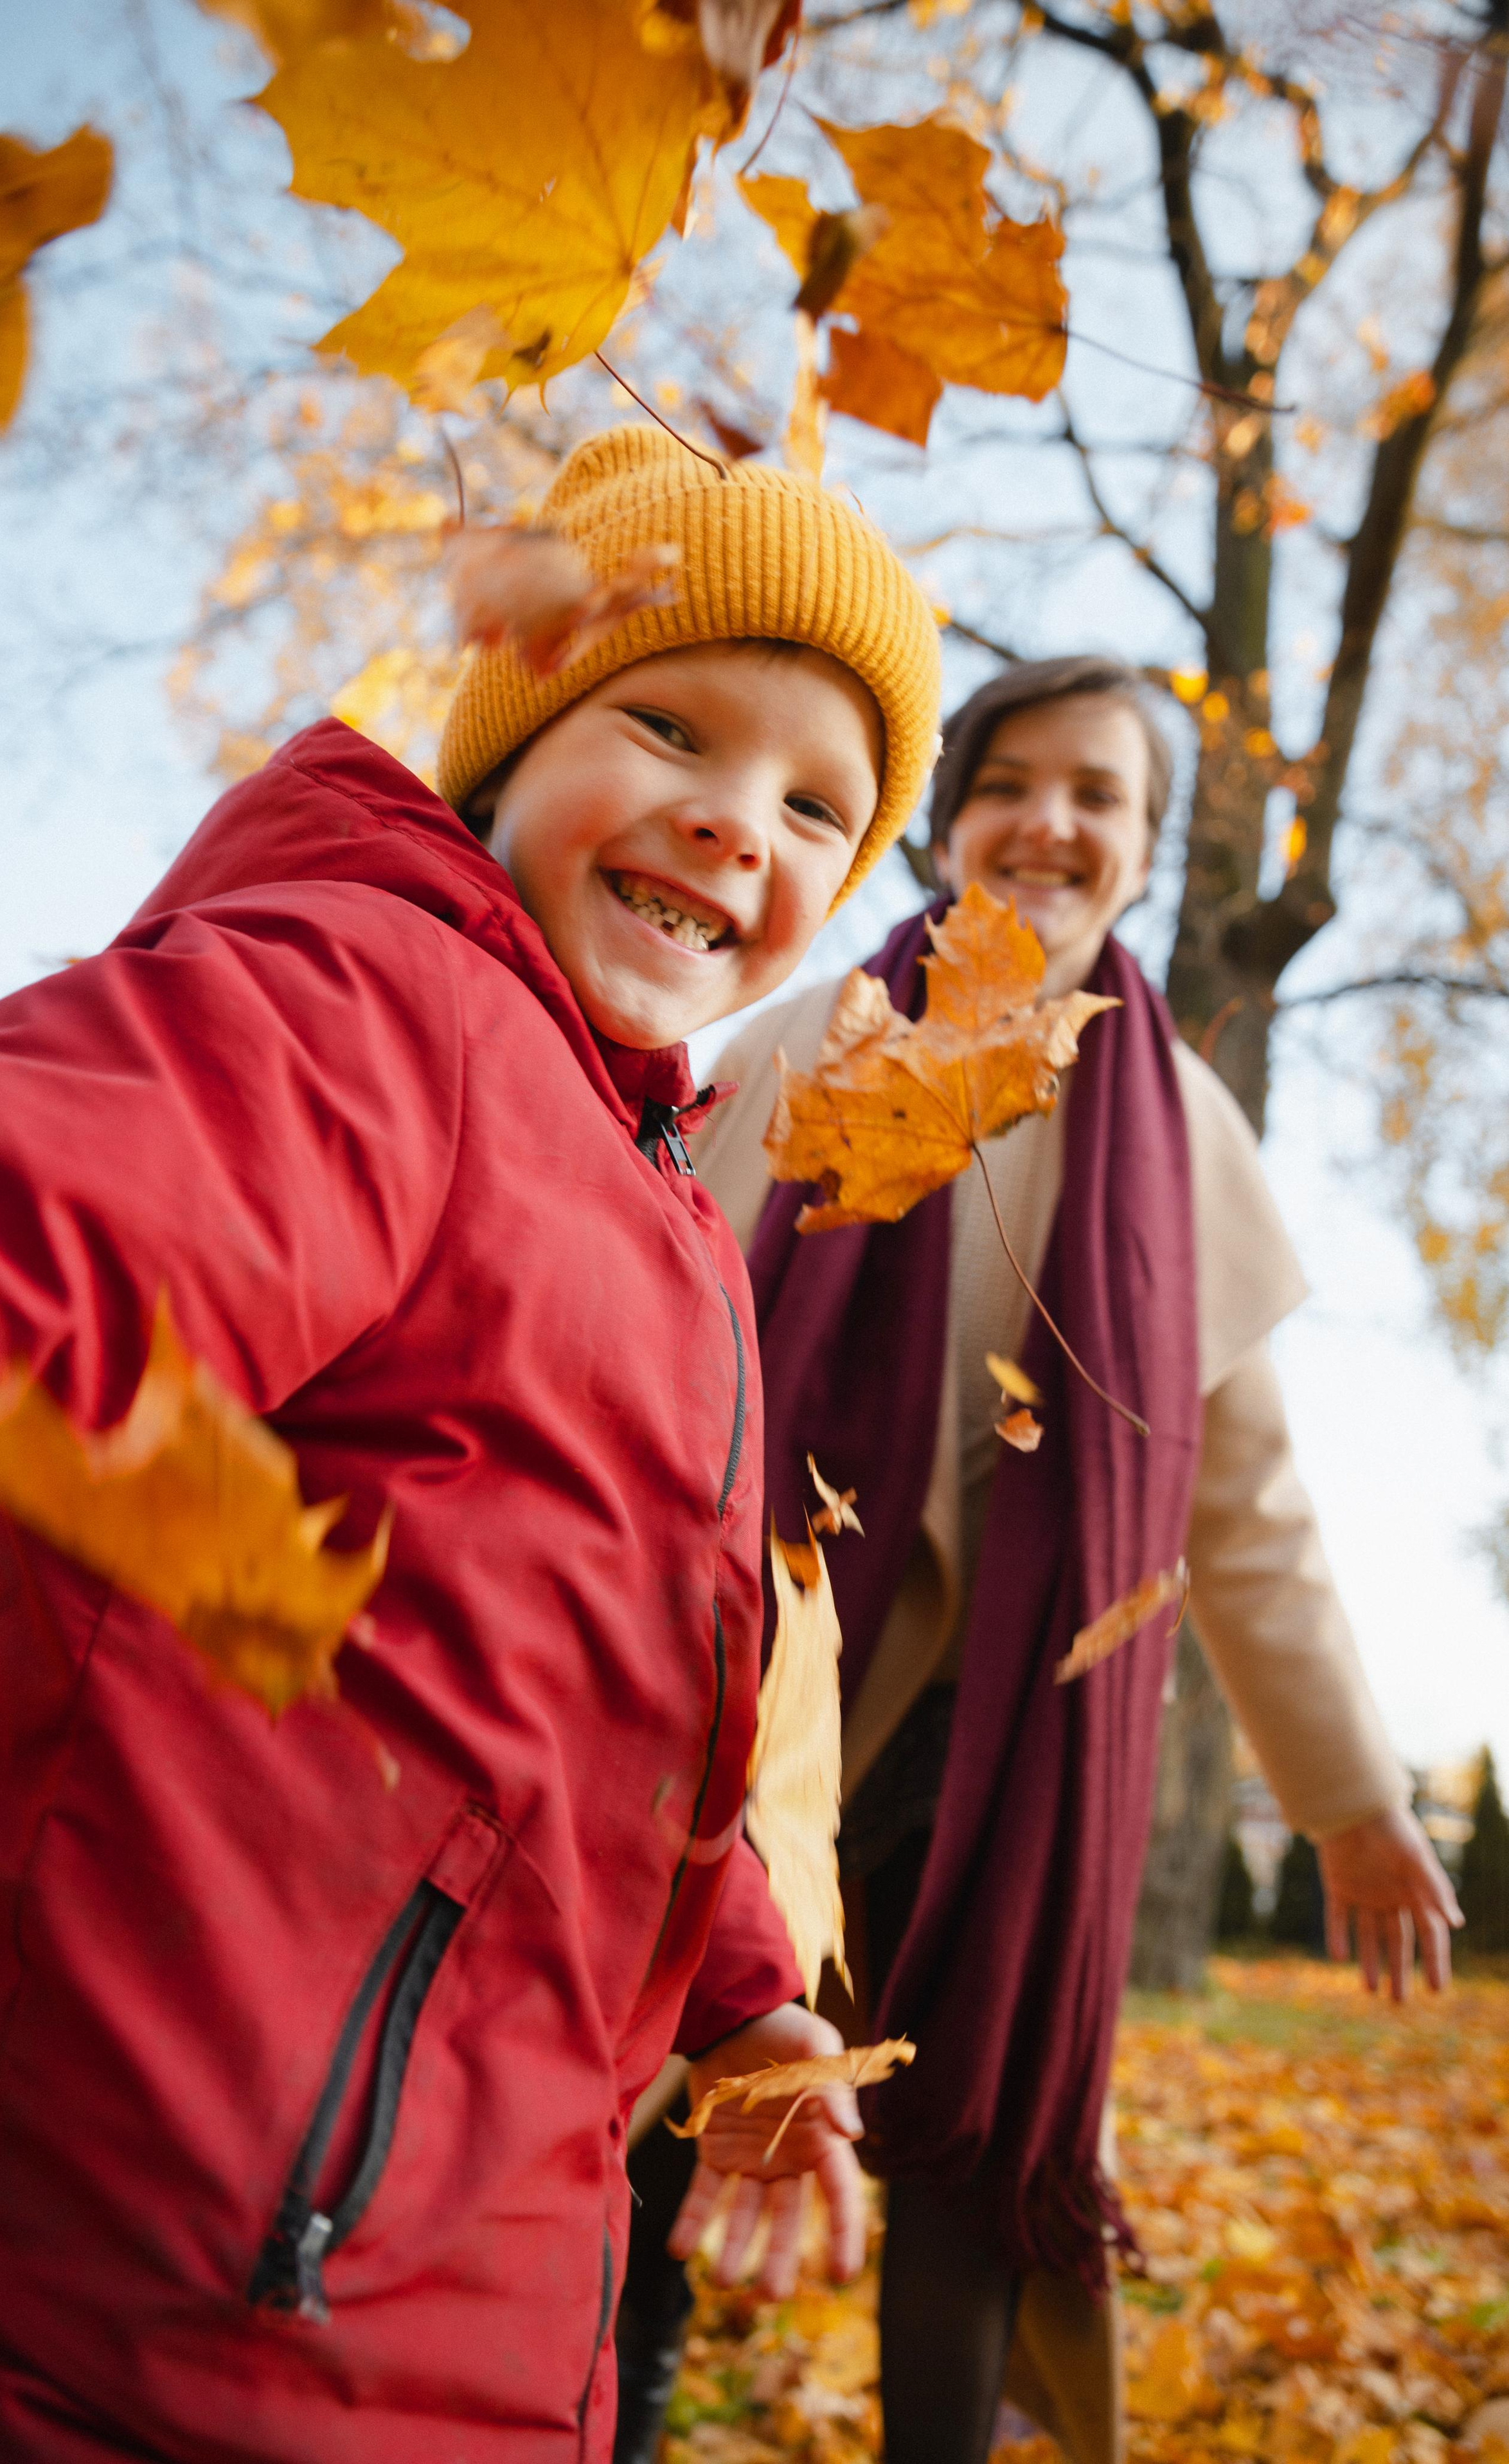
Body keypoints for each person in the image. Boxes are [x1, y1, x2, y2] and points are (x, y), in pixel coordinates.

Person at [0, 424, 943, 2461]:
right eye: (672, 727)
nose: (737, 823)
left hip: (441, 2297)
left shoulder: (671, 1215)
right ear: (514, 741)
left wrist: (747, 1996)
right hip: (118, 2288)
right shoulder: (378, 1012)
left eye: (819, 799)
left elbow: (622, 1694)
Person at [626, 655, 1461, 2464]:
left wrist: (1349, 1795)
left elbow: (1243, 1507)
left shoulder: (1180, 1133)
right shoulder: (808, 1035)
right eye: (1014, 782)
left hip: (1005, 1741)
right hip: (755, 1699)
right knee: (647, 2105)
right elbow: (649, 1324)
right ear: (951, 814)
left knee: (982, 2147)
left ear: (1146, 850)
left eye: (1102, 794)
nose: (1052, 822)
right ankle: (599, 2410)